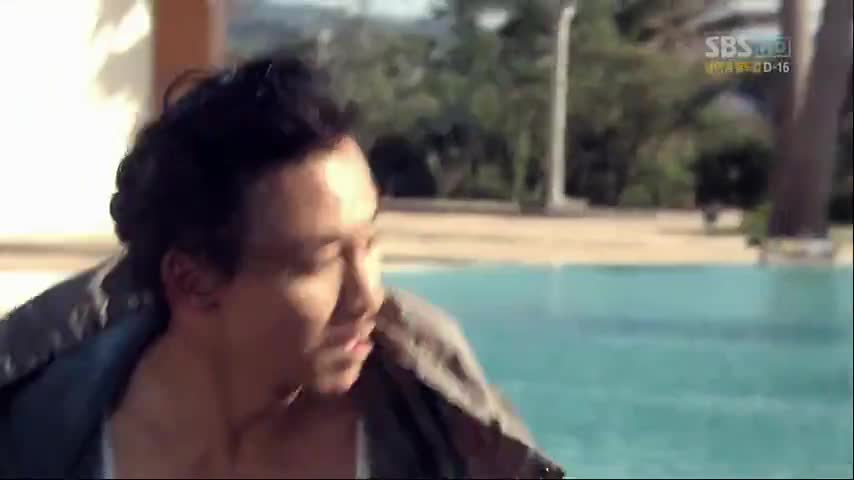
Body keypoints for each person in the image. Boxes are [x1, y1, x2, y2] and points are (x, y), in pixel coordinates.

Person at [0, 53, 564, 479]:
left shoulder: (437, 436)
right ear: (193, 283)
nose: (368, 295)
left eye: (370, 242)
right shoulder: (37, 439)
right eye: (321, 261)